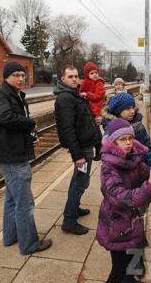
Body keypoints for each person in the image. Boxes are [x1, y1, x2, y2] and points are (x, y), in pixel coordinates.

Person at [96, 118, 151, 282]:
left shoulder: (132, 160)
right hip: (116, 224)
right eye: (123, 139)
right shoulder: (109, 167)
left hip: (130, 221)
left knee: (132, 260)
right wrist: (146, 191)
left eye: (130, 138)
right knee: (119, 269)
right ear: (113, 142)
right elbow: (118, 196)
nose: (128, 143)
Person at [0, 61, 52, 255]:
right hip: (11, 156)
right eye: (16, 75)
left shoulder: (17, 95)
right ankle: (29, 244)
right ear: (6, 77)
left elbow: (15, 125)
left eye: (23, 75)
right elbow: (4, 118)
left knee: (12, 200)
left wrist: (30, 137)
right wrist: (30, 124)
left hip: (14, 150)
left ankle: (11, 236)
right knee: (25, 202)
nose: (21, 78)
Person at [54, 65, 102, 235]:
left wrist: (98, 142)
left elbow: (88, 120)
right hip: (81, 149)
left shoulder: (76, 95)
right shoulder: (65, 98)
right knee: (80, 183)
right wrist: (77, 155)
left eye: (76, 76)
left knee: (78, 181)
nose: (75, 79)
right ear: (63, 79)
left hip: (86, 145)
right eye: (70, 77)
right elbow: (68, 129)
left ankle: (74, 209)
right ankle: (69, 221)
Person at [106, 92, 151, 167]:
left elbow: (147, 147)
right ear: (118, 111)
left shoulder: (138, 126)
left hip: (141, 169)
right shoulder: (111, 130)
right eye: (128, 109)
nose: (132, 111)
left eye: (133, 107)